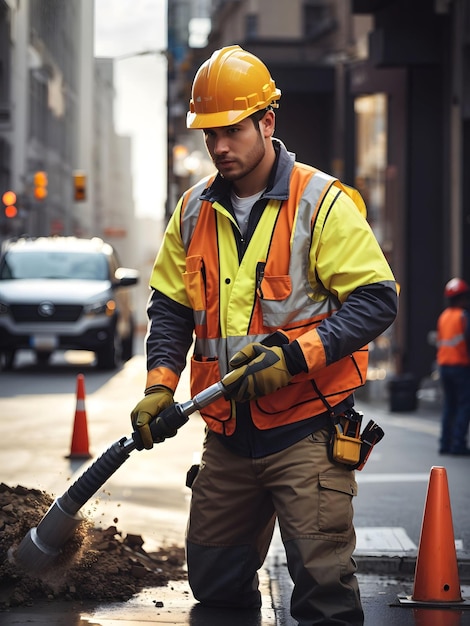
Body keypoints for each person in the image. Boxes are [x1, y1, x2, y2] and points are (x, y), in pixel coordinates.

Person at [131, 45, 398, 626]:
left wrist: (293, 358)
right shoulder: (193, 210)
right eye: (209, 134)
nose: (220, 146)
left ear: (267, 122)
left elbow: (378, 300)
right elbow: (171, 307)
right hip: (227, 437)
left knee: (324, 595)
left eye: (232, 130)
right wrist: (159, 385)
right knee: (215, 585)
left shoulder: (321, 202)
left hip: (306, 429)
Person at [436, 277, 470, 456]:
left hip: (444, 367)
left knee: (449, 405)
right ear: (462, 298)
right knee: (464, 405)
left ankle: (445, 443)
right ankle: (458, 444)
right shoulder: (463, 317)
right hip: (461, 367)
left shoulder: (444, 317)